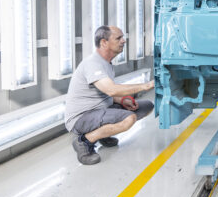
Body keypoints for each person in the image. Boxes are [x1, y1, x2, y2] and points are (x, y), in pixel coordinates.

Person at [65, 25, 155, 165]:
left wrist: (123, 100)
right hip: (82, 117)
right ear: (104, 42)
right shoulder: (93, 64)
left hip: (100, 110)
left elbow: (105, 93)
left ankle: (102, 134)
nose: (123, 41)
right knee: (129, 118)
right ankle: (84, 141)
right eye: (118, 38)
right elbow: (111, 89)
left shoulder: (106, 63)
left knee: (146, 106)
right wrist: (146, 85)